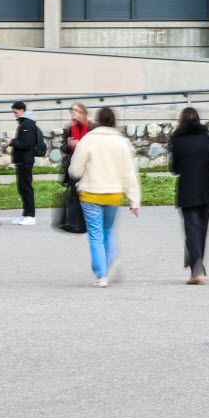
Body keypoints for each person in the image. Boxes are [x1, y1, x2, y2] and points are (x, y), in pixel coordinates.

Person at [67, 106, 141, 287]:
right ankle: (110, 261)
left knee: (95, 235)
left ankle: (101, 274)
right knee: (108, 230)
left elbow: (75, 170)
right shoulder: (122, 142)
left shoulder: (88, 140)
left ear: (98, 120)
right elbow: (129, 174)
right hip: (114, 194)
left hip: (90, 194)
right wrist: (134, 201)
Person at [169, 107, 209, 284]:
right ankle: (198, 265)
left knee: (192, 230)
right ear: (198, 120)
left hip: (187, 190)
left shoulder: (177, 139)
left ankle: (196, 269)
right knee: (202, 230)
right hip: (208, 190)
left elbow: (174, 169)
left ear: (181, 120)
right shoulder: (207, 136)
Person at [57, 103, 93, 234]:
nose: (73, 112)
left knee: (83, 195)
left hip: (87, 166)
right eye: (72, 110)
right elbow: (63, 147)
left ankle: (82, 224)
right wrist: (69, 144)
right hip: (73, 165)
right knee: (73, 194)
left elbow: (95, 147)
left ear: (83, 113)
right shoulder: (70, 128)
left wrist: (80, 144)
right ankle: (73, 223)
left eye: (77, 110)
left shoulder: (90, 127)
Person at [7, 102, 43, 226]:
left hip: (25, 160)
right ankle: (25, 214)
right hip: (22, 161)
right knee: (23, 188)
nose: (15, 115)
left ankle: (30, 215)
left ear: (22, 111)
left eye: (16, 112)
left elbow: (27, 144)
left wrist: (12, 142)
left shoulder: (27, 124)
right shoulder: (25, 123)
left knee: (26, 188)